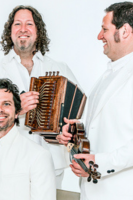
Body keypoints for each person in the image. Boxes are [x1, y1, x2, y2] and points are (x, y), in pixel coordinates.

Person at [0, 5, 79, 188]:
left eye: (29, 24)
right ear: (10, 31)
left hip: (52, 167)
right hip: (8, 166)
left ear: (38, 31)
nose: (23, 29)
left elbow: (77, 116)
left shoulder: (61, 69)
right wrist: (14, 109)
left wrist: (68, 132)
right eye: (17, 24)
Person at [57, 2, 133, 199]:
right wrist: (77, 130)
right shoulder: (108, 74)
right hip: (91, 191)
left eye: (105, 29)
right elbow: (107, 125)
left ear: (124, 31)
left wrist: (98, 163)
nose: (99, 36)